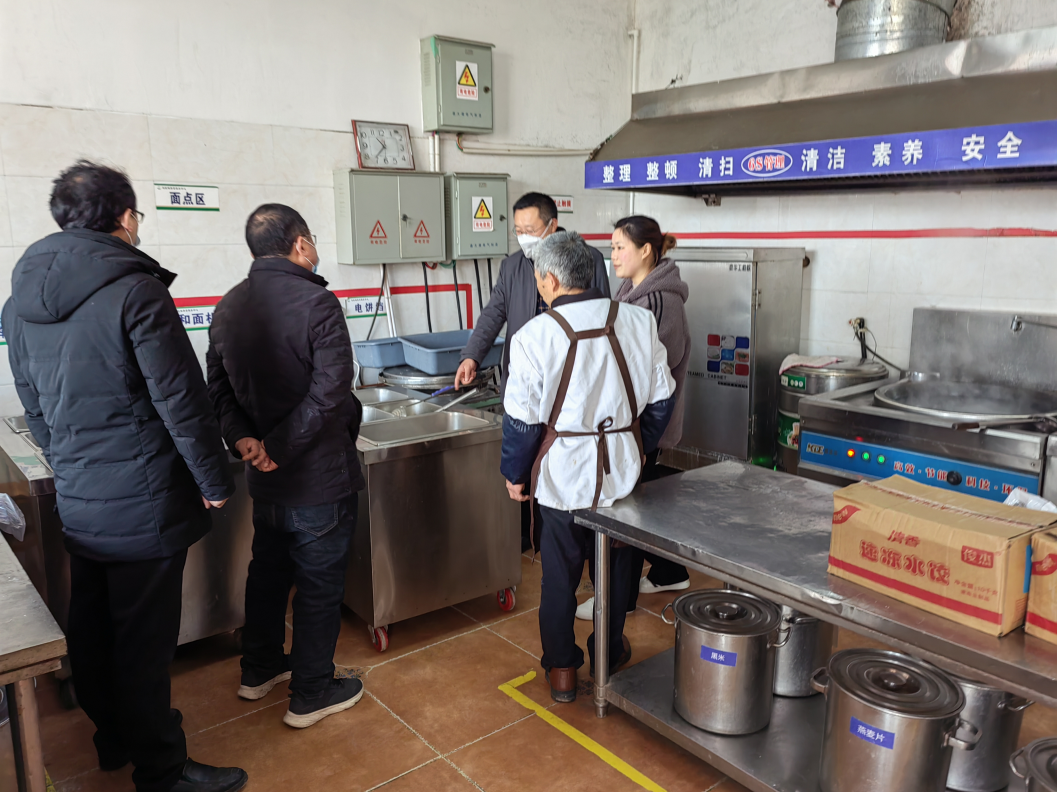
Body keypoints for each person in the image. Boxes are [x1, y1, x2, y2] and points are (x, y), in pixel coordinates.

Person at [2, 161, 245, 792]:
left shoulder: (18, 302)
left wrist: (71, 463)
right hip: (145, 502)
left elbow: (33, 406)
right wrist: (214, 481)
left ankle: (111, 738)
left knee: (93, 626)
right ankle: (162, 770)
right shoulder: (136, 291)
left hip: (81, 495)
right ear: (124, 217)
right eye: (137, 214)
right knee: (143, 643)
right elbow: (180, 401)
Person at [206, 204, 366, 730]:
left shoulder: (228, 306)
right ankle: (311, 692)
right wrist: (277, 445)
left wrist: (245, 441)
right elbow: (331, 389)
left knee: (268, 574)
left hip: (265, 480)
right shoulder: (317, 302)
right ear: (300, 244)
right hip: (317, 478)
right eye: (312, 239)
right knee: (318, 587)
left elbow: (218, 389)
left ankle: (259, 669)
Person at [500, 231, 676, 703]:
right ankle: (607, 653)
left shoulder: (534, 336)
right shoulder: (638, 321)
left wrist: (515, 474)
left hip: (562, 477)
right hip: (621, 476)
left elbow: (521, 422)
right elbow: (662, 399)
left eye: (539, 279)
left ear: (552, 281)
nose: (539, 286)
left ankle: (562, 669)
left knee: (559, 576)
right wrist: (638, 450)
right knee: (615, 571)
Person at [456, 192, 611, 551]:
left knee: (569, 461)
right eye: (518, 230)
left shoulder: (587, 259)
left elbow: (603, 313)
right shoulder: (514, 266)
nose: (524, 236)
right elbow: (494, 313)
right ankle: (537, 537)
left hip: (575, 383)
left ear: (552, 225)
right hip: (530, 381)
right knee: (529, 452)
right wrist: (472, 356)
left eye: (530, 228)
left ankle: (579, 542)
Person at [576, 216, 692, 622]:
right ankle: (670, 571)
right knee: (640, 501)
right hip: (632, 424)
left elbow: (650, 377)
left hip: (644, 426)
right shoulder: (631, 292)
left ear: (646, 251)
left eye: (620, 247)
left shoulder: (659, 303)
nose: (613, 256)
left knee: (623, 510)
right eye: (611, 248)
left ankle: (617, 600)